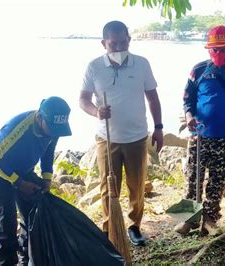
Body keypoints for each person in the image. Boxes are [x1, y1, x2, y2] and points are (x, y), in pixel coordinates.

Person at [79, 20, 163, 247]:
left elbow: (152, 97)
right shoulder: (94, 67)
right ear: (103, 43)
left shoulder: (141, 64)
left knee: (137, 185)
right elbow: (83, 100)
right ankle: (110, 228)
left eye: (122, 42)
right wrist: (96, 111)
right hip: (107, 138)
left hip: (136, 137)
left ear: (129, 40)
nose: (118, 48)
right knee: (109, 186)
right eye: (112, 44)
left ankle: (134, 226)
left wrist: (159, 128)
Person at [176, 25, 225, 236]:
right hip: (199, 135)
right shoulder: (199, 70)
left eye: (223, 49)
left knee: (218, 179)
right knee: (193, 177)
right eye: (214, 50)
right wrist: (189, 116)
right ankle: (188, 220)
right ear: (208, 50)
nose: (218, 54)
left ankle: (210, 220)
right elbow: (187, 99)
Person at [0, 96, 72, 265]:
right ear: (40, 118)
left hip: (23, 169)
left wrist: (46, 179)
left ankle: (26, 260)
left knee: (33, 216)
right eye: (51, 128)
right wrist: (20, 183)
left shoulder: (54, 128)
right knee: (6, 224)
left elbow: (48, 153)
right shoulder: (17, 128)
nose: (54, 133)